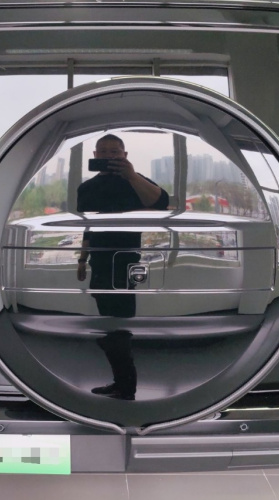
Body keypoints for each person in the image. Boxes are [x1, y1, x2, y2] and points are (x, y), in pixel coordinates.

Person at [75, 134, 169, 400]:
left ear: (125, 155)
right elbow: (88, 227)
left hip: (126, 263)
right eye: (103, 151)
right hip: (99, 263)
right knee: (109, 325)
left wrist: (132, 176)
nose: (109, 155)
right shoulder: (86, 188)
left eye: (115, 151)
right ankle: (121, 382)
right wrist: (82, 259)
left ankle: (126, 387)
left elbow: (160, 202)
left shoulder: (135, 181)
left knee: (120, 327)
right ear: (95, 156)